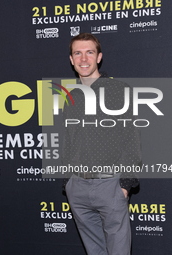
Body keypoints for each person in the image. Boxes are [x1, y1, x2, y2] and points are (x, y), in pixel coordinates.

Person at [62, 33, 141, 255]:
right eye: (78, 53)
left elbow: (132, 141)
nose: (83, 59)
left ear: (99, 57)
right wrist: (67, 182)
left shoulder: (118, 91)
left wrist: (124, 186)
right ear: (71, 59)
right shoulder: (71, 95)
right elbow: (68, 140)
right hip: (77, 187)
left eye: (89, 52)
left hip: (110, 185)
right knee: (93, 250)